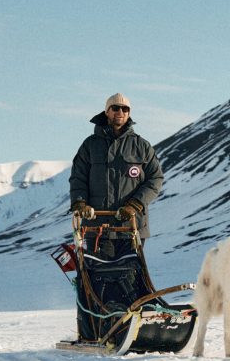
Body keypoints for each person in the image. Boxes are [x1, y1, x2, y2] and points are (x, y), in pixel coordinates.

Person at [69, 93, 164, 258]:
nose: (120, 112)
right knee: (100, 276)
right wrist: (80, 203)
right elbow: (78, 177)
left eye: (125, 109)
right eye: (115, 108)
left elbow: (155, 179)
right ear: (107, 112)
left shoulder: (141, 146)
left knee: (130, 276)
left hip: (132, 226)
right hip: (98, 225)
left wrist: (135, 205)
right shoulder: (90, 145)